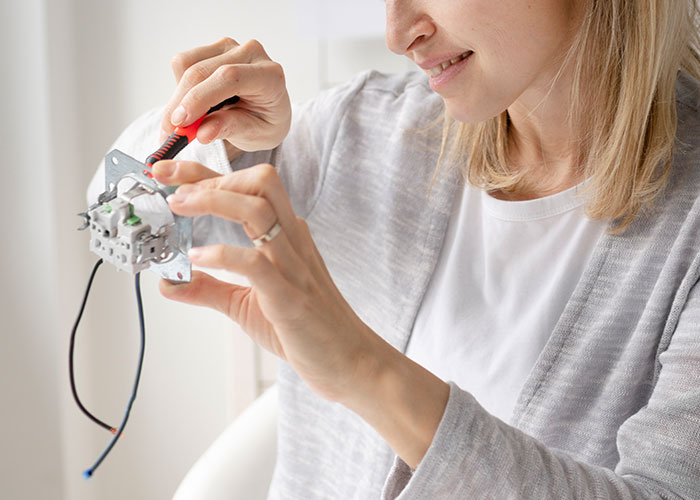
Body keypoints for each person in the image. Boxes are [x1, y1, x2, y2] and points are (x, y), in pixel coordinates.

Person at [89, 1, 700, 498]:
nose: (398, 32)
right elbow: (110, 222)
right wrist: (217, 140)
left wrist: (359, 367)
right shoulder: (364, 131)